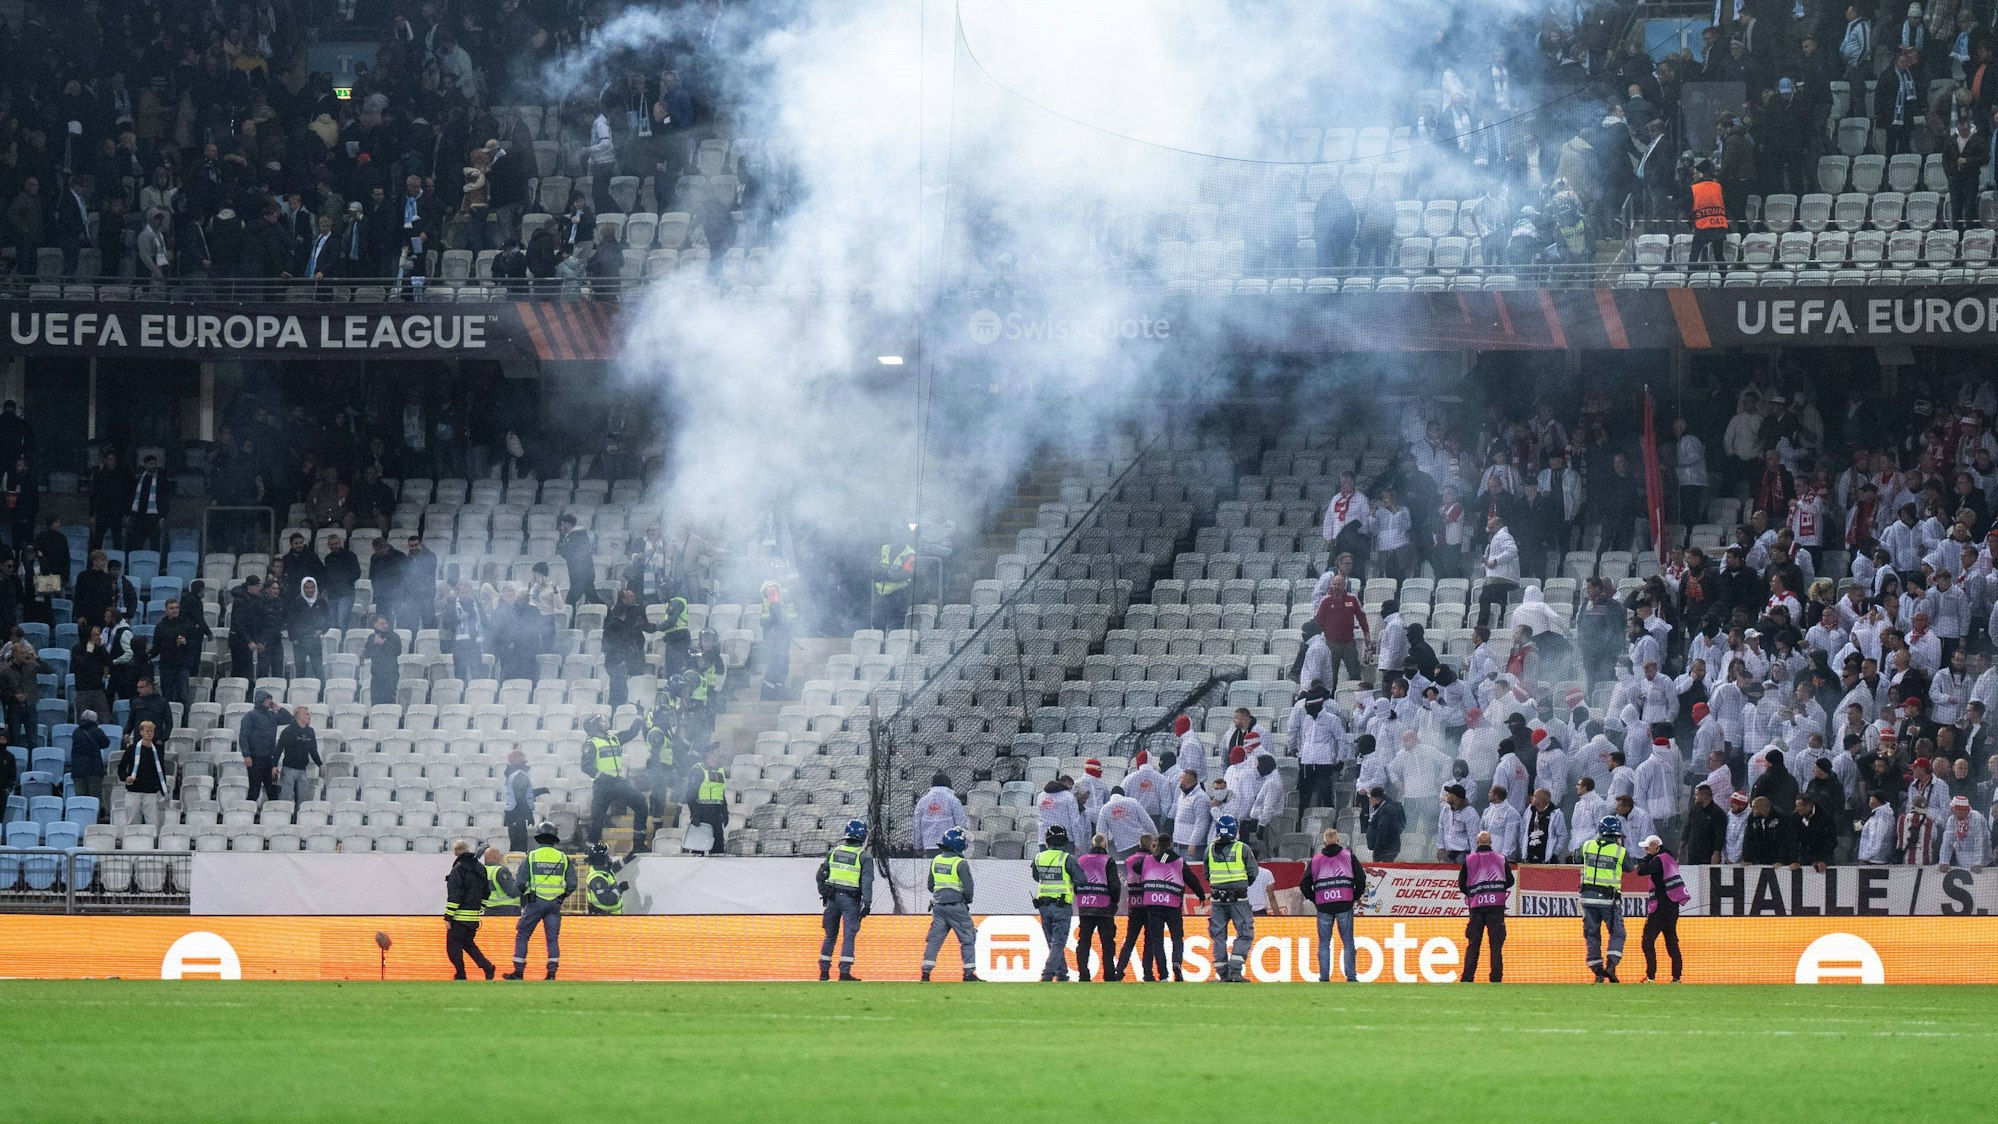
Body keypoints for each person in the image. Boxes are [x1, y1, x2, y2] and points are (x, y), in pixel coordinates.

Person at [506, 822, 574, 980]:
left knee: (523, 934)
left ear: (539, 837)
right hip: (554, 905)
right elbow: (572, 883)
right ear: (554, 838)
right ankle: (551, 973)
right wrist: (561, 896)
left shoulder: (532, 856)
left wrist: (527, 894)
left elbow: (520, 882)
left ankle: (519, 972)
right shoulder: (563, 858)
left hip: (535, 902)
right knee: (552, 939)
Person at [1303, 828, 1365, 983]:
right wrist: (1354, 896)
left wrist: (1315, 898)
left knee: (1324, 944)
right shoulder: (1348, 856)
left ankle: (1324, 977)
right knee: (1348, 942)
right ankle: (1351, 976)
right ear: (1338, 841)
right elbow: (1361, 877)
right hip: (1344, 903)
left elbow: (1303, 884)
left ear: (1324, 842)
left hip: (1324, 905)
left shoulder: (1316, 859)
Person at [1579, 815, 1635, 983]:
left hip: (1587, 899)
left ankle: (1597, 971)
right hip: (1609, 900)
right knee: (1618, 933)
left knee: (1592, 935)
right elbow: (1630, 867)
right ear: (1616, 835)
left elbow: (1575, 857)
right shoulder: (1620, 851)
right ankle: (1610, 967)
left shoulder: (1587, 845)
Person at [1205, 815, 1260, 983]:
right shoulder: (1242, 848)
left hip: (1217, 900)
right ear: (1235, 830)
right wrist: (1242, 884)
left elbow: (1207, 875)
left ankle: (1222, 973)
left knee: (1218, 936)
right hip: (1239, 899)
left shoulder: (1209, 849)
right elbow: (1253, 872)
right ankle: (1235, 972)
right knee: (1245, 934)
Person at [816, 820, 874, 981]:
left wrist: (824, 893)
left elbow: (820, 875)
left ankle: (824, 972)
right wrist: (867, 904)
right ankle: (844, 972)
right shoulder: (864, 856)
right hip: (850, 900)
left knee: (830, 936)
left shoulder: (833, 852)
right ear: (862, 836)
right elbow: (867, 882)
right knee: (849, 935)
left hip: (832, 899)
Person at [921, 827, 979, 982]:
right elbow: (968, 888)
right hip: (956, 906)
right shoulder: (961, 863)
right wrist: (966, 901)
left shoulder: (936, 861)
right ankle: (968, 973)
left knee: (934, 940)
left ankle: (926, 973)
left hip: (938, 907)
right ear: (959, 845)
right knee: (968, 937)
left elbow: (930, 885)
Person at [580, 714, 648, 847]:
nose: (605, 721)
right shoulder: (591, 743)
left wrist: (639, 717)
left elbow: (632, 733)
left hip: (617, 783)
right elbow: (586, 766)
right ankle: (590, 849)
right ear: (595, 726)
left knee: (641, 804)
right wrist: (603, 777)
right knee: (597, 820)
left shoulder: (613, 738)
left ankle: (638, 844)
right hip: (602, 786)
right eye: (601, 720)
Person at [1030, 824, 1085, 982]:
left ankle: (1062, 973)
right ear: (1064, 841)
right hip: (1061, 906)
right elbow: (1081, 880)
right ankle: (1048, 972)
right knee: (1059, 941)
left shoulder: (1039, 857)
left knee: (1051, 940)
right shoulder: (1068, 859)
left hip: (1043, 905)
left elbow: (1036, 876)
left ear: (1047, 841)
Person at [1459, 830, 1513, 984]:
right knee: (1496, 945)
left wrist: (1474, 893)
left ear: (1477, 843)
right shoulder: (1501, 859)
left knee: (1473, 944)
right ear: (1491, 843)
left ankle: (1467, 978)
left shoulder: (1469, 859)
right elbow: (1509, 881)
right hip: (1496, 907)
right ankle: (1496, 978)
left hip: (1476, 907)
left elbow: (1462, 884)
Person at [1634, 834, 1689, 983]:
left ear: (1657, 848)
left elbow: (1641, 870)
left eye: (1647, 848)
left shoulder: (1659, 860)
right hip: (1672, 906)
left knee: (1647, 941)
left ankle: (1651, 976)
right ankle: (1676, 977)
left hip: (1660, 907)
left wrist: (1646, 857)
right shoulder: (1669, 858)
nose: (1645, 850)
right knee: (1671, 941)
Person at [444, 840, 498, 980]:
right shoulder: (480, 868)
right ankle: (487, 967)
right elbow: (487, 891)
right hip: (473, 917)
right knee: (468, 944)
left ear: (455, 852)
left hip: (459, 917)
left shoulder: (458, 869)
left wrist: (448, 917)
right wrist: (480, 908)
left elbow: (455, 896)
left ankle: (460, 974)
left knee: (453, 947)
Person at [1074, 833, 1123, 982]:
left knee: (1084, 942)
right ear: (1105, 845)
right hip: (1104, 907)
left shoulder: (1080, 860)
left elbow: (1076, 884)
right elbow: (1115, 885)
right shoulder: (1108, 860)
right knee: (1107, 943)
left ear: (1092, 844)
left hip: (1085, 907)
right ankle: (1109, 974)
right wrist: (1114, 903)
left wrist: (1082, 898)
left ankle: (1083, 974)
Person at [117, 720, 169, 828]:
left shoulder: (157, 752)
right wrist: (126, 778)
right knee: (132, 822)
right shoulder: (132, 749)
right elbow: (121, 767)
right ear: (141, 732)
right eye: (147, 731)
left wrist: (164, 792)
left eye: (152, 731)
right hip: (134, 791)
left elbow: (161, 772)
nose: (150, 733)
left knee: (153, 823)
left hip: (151, 792)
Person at [684, 746, 729, 855]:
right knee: (698, 849)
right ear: (709, 754)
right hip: (702, 813)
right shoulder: (698, 770)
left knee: (718, 849)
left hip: (717, 814)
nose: (720, 754)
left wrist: (725, 811)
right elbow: (690, 794)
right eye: (717, 751)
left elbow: (721, 793)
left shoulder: (721, 770)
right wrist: (694, 813)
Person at [1687, 160, 1730, 270]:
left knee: (1694, 256)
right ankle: (1724, 281)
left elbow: (1686, 203)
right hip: (1718, 225)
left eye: (1695, 173)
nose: (1693, 175)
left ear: (1701, 173)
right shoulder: (1718, 186)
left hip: (1703, 226)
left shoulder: (1695, 188)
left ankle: (1689, 280)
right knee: (1719, 256)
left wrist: (1669, 204)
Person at [503, 749, 547, 853]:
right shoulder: (519, 774)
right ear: (515, 759)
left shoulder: (515, 773)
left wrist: (541, 790)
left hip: (513, 814)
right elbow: (520, 798)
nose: (525, 755)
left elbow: (525, 793)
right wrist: (529, 815)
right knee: (519, 846)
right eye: (522, 755)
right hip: (517, 814)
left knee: (516, 844)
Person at [275, 705, 322, 804]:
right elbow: (278, 749)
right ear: (299, 716)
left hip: (302, 770)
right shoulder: (288, 731)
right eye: (307, 714)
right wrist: (274, 766)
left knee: (302, 801)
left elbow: (313, 750)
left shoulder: (310, 731)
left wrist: (320, 764)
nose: (309, 716)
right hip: (289, 769)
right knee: (286, 800)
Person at [583, 844, 630, 915]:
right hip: (604, 917)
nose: (608, 857)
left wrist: (628, 858)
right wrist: (620, 888)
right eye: (607, 855)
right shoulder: (597, 879)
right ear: (602, 858)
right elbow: (606, 900)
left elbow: (614, 867)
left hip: (609, 915)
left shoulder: (603, 869)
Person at [1365, 785, 1405, 860]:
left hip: (1384, 851)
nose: (1370, 801)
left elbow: (1382, 831)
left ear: (1377, 799)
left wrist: (1377, 851)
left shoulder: (1386, 810)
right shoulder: (1392, 806)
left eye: (1371, 798)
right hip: (1391, 847)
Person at [482, 846, 521, 918]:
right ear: (496, 857)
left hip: (488, 909)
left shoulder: (481, 870)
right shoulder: (500, 871)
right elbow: (512, 892)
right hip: (507, 910)